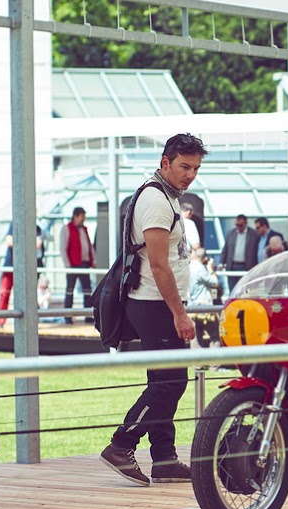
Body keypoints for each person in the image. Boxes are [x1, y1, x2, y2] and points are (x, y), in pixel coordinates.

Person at [101, 132, 208, 486]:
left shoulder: (165, 196)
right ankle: (121, 444)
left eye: (195, 168)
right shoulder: (156, 200)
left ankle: (164, 458)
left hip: (157, 303)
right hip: (155, 304)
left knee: (164, 382)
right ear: (165, 163)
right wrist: (179, 313)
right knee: (170, 382)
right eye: (184, 167)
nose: (190, 175)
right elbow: (159, 265)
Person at [60, 207, 96, 324]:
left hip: (84, 264)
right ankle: (68, 316)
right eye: (82, 216)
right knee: (70, 290)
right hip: (73, 265)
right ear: (75, 216)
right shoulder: (67, 229)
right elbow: (63, 248)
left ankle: (88, 315)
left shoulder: (84, 229)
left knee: (87, 290)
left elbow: (89, 246)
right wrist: (67, 265)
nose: (83, 219)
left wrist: (93, 260)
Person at [222, 214, 257, 289]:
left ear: (246, 223)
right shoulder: (230, 233)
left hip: (246, 266)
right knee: (232, 288)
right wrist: (221, 263)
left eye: (240, 225)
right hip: (232, 266)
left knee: (244, 288)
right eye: (237, 225)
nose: (238, 227)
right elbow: (225, 249)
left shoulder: (253, 234)